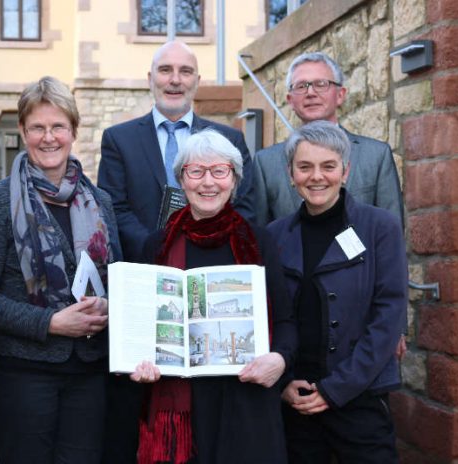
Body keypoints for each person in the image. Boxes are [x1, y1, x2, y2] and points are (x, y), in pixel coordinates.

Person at [0, 76, 122, 464]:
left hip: (90, 371)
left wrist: (108, 306)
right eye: (37, 127)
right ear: (22, 132)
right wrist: (50, 323)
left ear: (73, 130)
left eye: (58, 126)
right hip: (22, 373)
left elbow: (116, 276)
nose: (48, 137)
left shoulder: (100, 201)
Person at [129, 129, 297, 463]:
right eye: (196, 171)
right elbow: (142, 326)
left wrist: (279, 359)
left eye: (219, 171)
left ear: (234, 180)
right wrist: (138, 359)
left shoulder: (258, 242)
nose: (208, 182)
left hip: (245, 400)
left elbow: (286, 321)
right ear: (181, 179)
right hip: (181, 402)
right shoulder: (156, 245)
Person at [266, 121, 407, 463]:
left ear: (345, 171)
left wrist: (335, 389)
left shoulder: (379, 227)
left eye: (328, 166)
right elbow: (268, 315)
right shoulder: (273, 235)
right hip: (296, 397)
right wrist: (283, 382)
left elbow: (389, 313)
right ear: (290, 173)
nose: (317, 176)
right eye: (305, 167)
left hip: (360, 395)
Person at [98, 39, 254, 263]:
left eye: (186, 71)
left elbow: (245, 205)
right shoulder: (119, 140)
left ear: (197, 81)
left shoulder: (230, 139)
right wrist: (157, 248)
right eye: (165, 70)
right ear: (150, 79)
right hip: (144, 264)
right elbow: (114, 209)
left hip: (214, 262)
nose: (175, 80)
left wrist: (210, 249)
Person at [251, 52, 403, 228]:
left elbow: (393, 228)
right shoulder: (266, 163)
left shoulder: (376, 155)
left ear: (340, 94)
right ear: (290, 101)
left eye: (320, 84)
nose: (310, 93)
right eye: (301, 86)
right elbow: (259, 237)